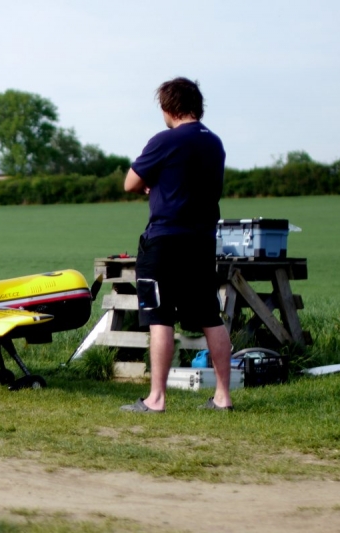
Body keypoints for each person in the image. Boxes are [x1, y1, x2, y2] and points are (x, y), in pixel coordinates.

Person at [121, 77, 233, 413]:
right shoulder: (215, 143)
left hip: (165, 240)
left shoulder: (165, 140)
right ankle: (223, 397)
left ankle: (156, 399)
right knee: (210, 316)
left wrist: (151, 185)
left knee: (160, 317)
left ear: (169, 108)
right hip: (201, 241)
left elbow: (130, 183)